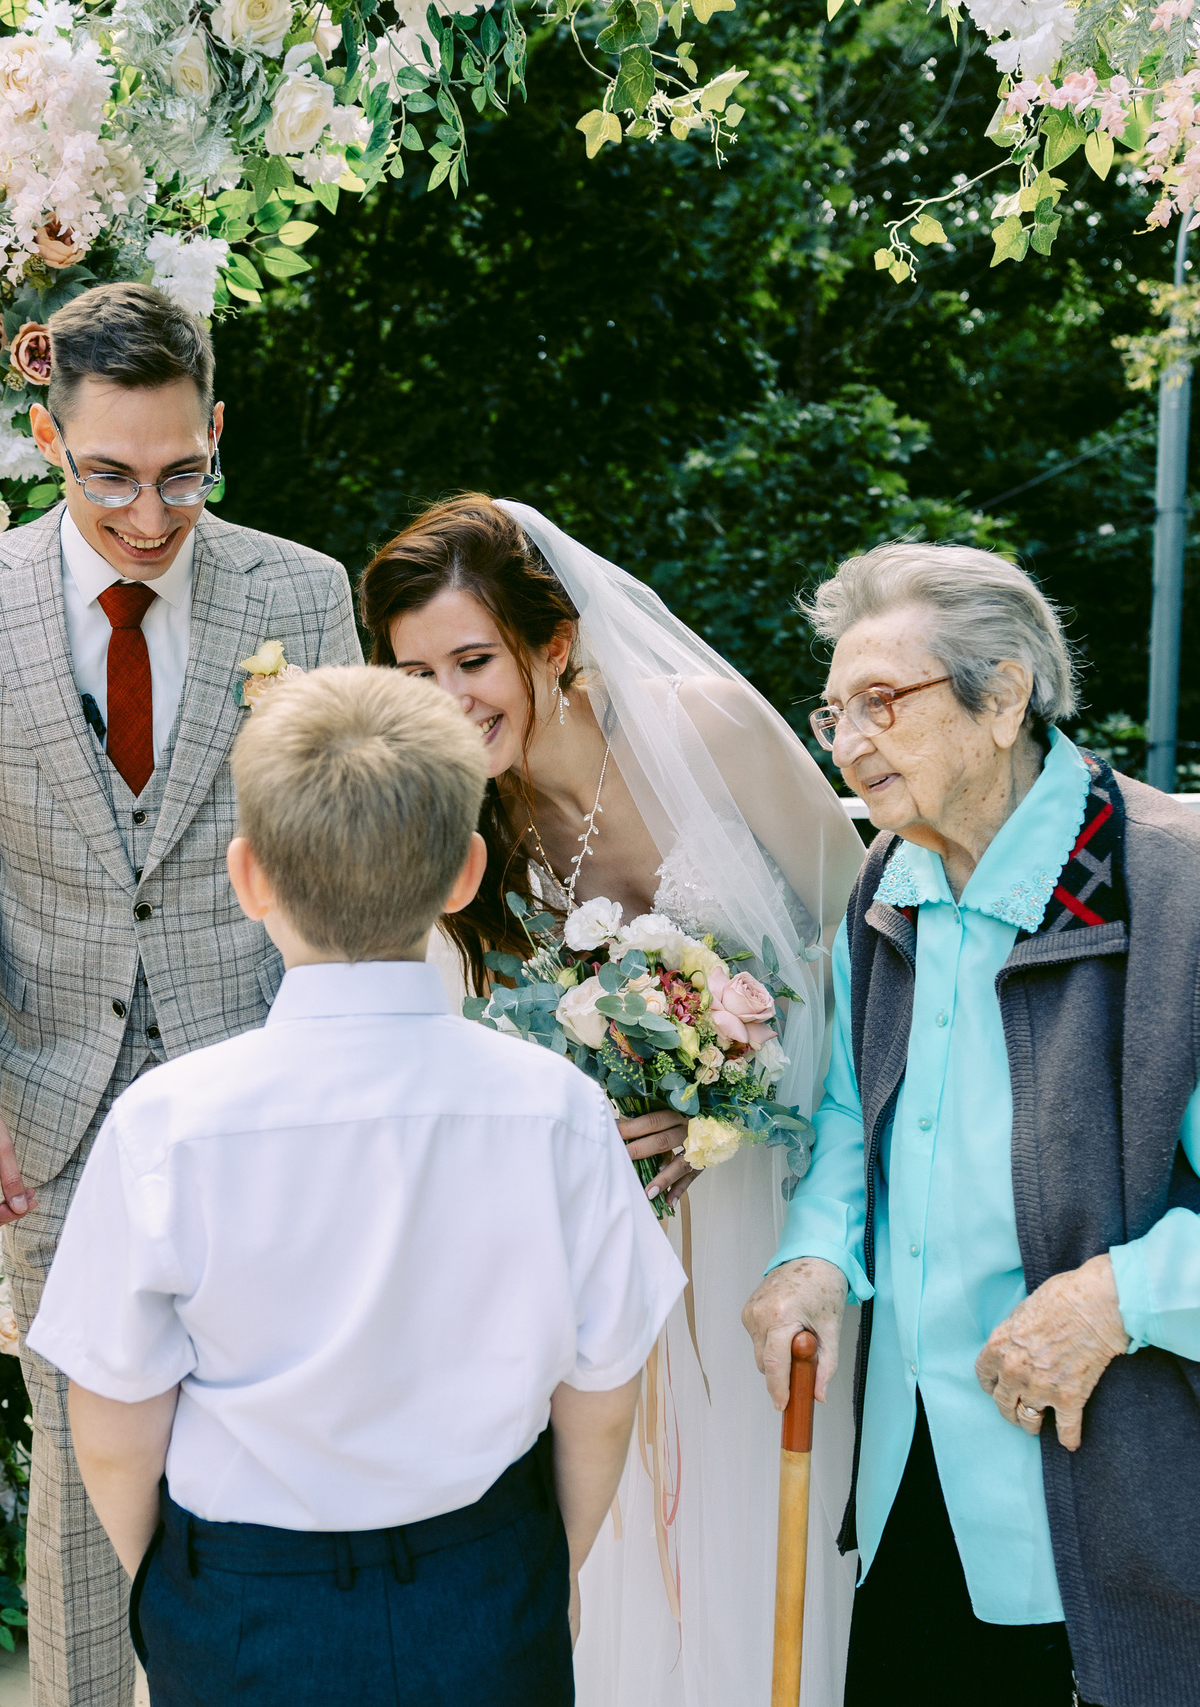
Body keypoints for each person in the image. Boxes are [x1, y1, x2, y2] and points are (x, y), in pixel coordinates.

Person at [742, 543, 1200, 1707]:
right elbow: (859, 1110)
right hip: (926, 1496)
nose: (847, 743)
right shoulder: (888, 884)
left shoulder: (1181, 901)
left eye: (881, 704)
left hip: (1151, 1522)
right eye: (831, 711)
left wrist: (1114, 1298)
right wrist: (813, 1254)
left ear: (1000, 697)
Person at [26, 666, 689, 1705]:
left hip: (242, 1600)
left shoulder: (166, 1123)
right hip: (485, 1577)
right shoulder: (554, 1107)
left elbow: (111, 1428)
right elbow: (601, 1399)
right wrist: (543, 1571)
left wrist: (177, 1591)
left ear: (247, 878)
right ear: (465, 872)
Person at [0, 280, 361, 1706]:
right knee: (74, 1445)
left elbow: (343, 858)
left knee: (274, 1431)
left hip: (268, 1092)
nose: (148, 515)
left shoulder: (303, 592)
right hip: (54, 1105)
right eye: (109, 477)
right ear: (46, 436)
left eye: (180, 474)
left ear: (215, 432)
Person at [361, 495, 868, 1706]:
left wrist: (731, 1098)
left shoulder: (705, 730)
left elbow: (860, 950)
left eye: (472, 662)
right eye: (413, 671)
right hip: (573, 1228)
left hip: (761, 1198)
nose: (447, 700)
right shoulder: (450, 807)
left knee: (755, 1496)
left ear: (553, 643)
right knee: (611, 1522)